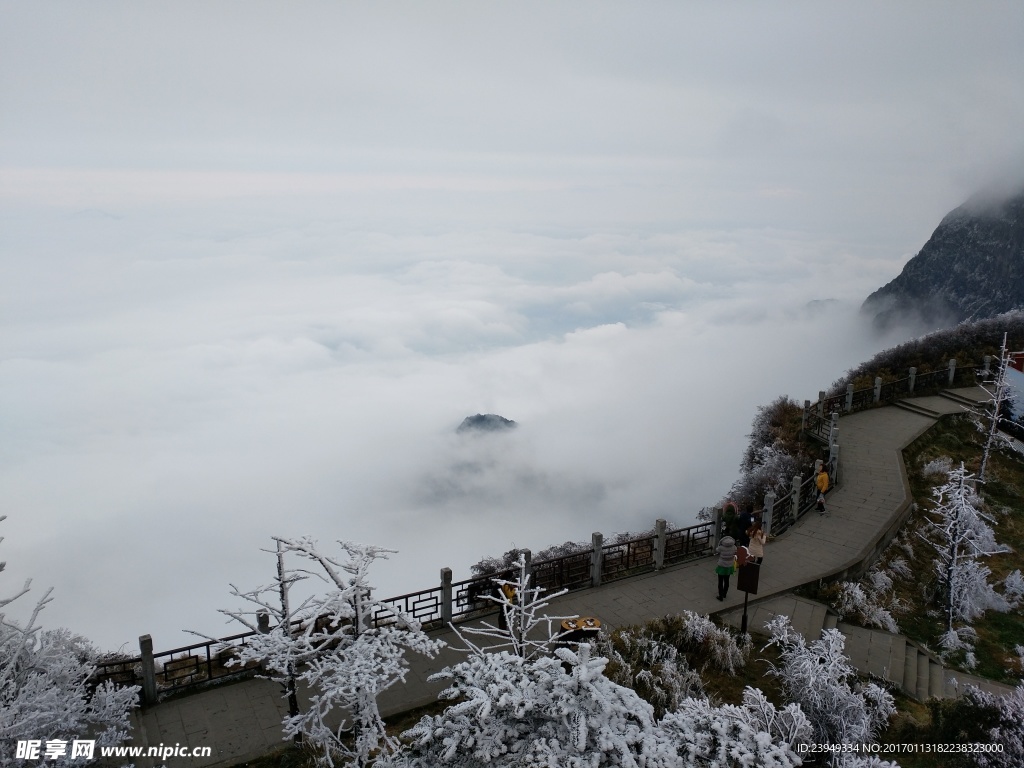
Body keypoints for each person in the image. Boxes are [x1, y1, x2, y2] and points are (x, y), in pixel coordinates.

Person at [714, 535, 737, 601]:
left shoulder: (721, 547)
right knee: (727, 580)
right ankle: (724, 594)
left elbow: (716, 550)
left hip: (722, 566)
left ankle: (720, 596)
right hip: (729, 566)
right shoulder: (734, 547)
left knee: (720, 581)